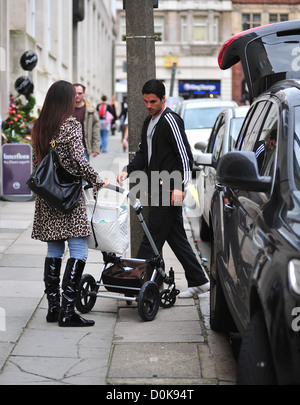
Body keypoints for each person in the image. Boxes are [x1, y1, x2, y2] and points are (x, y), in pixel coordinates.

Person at [117, 79, 210, 298]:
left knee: (152, 235)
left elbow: (185, 157)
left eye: (153, 102)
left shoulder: (171, 121)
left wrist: (180, 186)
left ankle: (134, 284)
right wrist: (128, 170)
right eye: (146, 102)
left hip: (170, 189)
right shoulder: (150, 122)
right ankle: (199, 281)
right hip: (157, 187)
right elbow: (142, 153)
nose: (149, 106)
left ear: (163, 100)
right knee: (174, 235)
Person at [31, 80, 108, 327]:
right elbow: (78, 160)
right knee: (78, 250)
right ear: (66, 101)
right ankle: (68, 312)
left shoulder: (39, 126)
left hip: (47, 196)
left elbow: (36, 164)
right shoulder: (70, 124)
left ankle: (54, 308)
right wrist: (96, 179)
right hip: (68, 196)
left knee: (53, 250)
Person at [73, 83, 100, 160]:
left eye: (80, 93)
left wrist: (95, 148)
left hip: (84, 147)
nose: (77, 95)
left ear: (84, 94)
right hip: (69, 149)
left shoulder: (91, 110)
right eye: (74, 93)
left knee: (83, 171)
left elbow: (96, 130)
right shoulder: (66, 109)